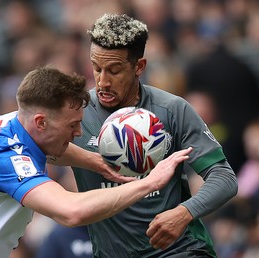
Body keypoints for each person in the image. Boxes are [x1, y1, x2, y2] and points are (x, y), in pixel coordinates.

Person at [0, 66, 192, 258]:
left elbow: (48, 148)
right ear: (41, 121)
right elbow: (70, 211)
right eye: (73, 125)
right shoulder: (4, 158)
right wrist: (149, 183)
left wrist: (97, 162)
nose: (78, 133)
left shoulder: (8, 125)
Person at [54, 13, 238, 257]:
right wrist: (91, 160)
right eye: (96, 68)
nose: (103, 82)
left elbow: (224, 178)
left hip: (178, 250)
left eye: (114, 70)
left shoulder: (172, 110)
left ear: (139, 66)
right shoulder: (77, 112)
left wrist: (185, 212)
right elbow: (42, 153)